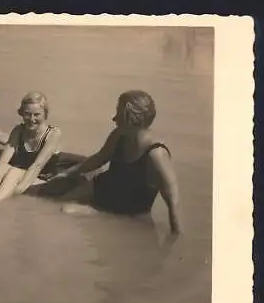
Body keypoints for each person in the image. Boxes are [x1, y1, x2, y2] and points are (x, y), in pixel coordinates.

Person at [48, 90, 182, 235]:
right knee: (56, 198)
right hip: (99, 188)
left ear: (130, 117)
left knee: (65, 210)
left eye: (118, 113)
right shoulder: (119, 135)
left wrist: (175, 238)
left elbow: (173, 200)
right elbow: (99, 159)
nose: (114, 118)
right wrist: (67, 174)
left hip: (122, 211)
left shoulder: (156, 154)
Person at [0, 92, 64, 203]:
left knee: (14, 171)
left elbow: (37, 166)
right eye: (27, 114)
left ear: (45, 114)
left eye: (37, 114)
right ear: (21, 113)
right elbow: (2, 163)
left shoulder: (53, 134)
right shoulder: (18, 131)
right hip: (19, 173)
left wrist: (17, 191)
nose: (32, 119)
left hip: (42, 178)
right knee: (5, 168)